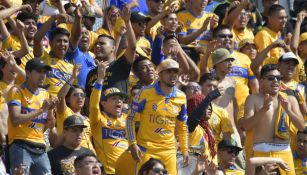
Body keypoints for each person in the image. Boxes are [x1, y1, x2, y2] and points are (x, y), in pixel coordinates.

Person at [239, 64, 305, 175]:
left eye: (278, 78)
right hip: (261, 153)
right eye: (270, 78)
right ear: (261, 81)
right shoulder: (253, 99)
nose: (275, 81)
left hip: (284, 152)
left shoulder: (290, 99)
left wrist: (289, 111)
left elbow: (301, 127)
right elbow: (245, 126)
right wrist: (264, 109)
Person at [127, 59, 189, 174]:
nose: (173, 75)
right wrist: (132, 143)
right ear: (160, 74)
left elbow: (182, 126)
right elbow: (130, 118)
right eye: (168, 72)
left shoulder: (181, 97)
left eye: (175, 72)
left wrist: (185, 149)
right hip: (146, 149)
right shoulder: (144, 93)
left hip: (169, 150)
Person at [7, 58, 57, 174]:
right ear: (28, 73)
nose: (43, 75)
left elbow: (50, 125)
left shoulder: (45, 94)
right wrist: (41, 110)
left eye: (44, 72)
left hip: (40, 146)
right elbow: (15, 120)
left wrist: (50, 110)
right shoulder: (16, 90)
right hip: (21, 144)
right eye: (39, 71)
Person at [89, 60, 129, 174]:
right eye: (113, 99)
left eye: (120, 99)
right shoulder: (98, 120)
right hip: (109, 171)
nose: (119, 101)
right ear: (104, 103)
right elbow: (93, 105)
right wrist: (100, 79)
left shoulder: (128, 118)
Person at [33, 14, 74, 96]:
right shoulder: (43, 57)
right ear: (50, 43)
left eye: (65, 41)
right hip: (45, 104)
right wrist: (53, 17)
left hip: (64, 106)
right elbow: (37, 38)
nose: (62, 44)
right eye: (58, 41)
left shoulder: (72, 67)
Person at [56, 64, 94, 151]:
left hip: (87, 155)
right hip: (70, 153)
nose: (80, 97)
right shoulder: (65, 112)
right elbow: (60, 96)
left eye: (82, 95)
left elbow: (89, 141)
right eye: (76, 95)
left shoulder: (87, 119)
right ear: (68, 99)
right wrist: (73, 77)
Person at [199, 73, 233, 144]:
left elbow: (227, 139)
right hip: (194, 152)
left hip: (215, 153)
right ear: (200, 87)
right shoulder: (192, 107)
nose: (212, 89)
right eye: (208, 85)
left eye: (215, 87)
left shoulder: (222, 112)